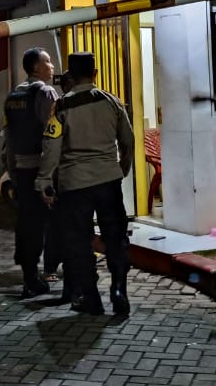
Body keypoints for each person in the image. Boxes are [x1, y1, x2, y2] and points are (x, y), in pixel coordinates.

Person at [37, 52, 134, 315]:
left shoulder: (62, 106)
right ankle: (119, 291)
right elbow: (128, 140)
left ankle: (91, 298)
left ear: (70, 74)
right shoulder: (111, 101)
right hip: (108, 180)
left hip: (74, 185)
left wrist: (44, 180)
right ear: (95, 73)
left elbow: (51, 147)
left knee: (79, 242)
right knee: (115, 239)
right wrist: (121, 169)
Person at [3, 47, 60, 298]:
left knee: (27, 223)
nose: (52, 66)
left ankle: (29, 275)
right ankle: (47, 272)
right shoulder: (45, 93)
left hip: (21, 169)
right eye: (48, 61)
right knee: (50, 223)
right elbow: (53, 134)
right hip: (42, 168)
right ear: (36, 67)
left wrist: (12, 170)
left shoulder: (14, 95)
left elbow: (9, 137)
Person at [41, 71, 74, 285]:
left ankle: (70, 264)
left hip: (72, 176)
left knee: (67, 223)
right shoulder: (59, 107)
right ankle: (52, 266)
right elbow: (51, 147)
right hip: (62, 176)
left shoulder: (91, 102)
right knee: (56, 225)